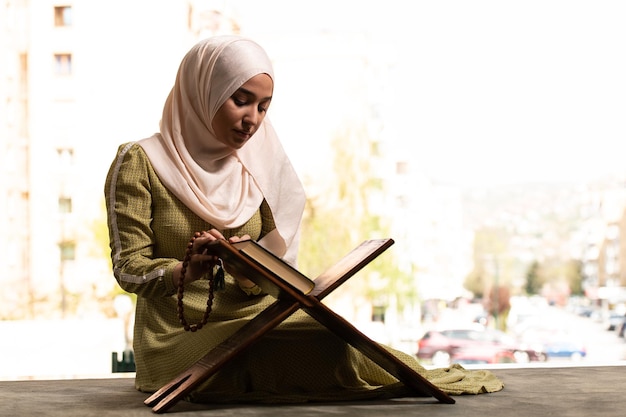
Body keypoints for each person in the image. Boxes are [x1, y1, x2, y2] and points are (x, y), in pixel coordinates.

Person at [104, 35, 503, 404]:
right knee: (294, 349)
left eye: (263, 106)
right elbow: (129, 269)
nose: (253, 119)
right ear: (202, 91)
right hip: (177, 334)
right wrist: (189, 269)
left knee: (334, 338)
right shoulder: (139, 162)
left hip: (257, 317)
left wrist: (246, 268)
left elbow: (267, 269)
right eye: (240, 100)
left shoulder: (254, 166)